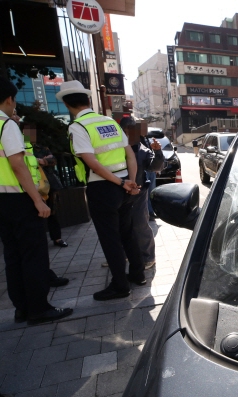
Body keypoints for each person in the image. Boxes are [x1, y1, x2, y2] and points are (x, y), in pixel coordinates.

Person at [0, 75, 72, 324]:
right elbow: (17, 164)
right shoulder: (4, 124)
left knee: (13, 255)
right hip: (18, 198)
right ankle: (39, 308)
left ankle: (21, 308)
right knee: (33, 254)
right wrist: (37, 200)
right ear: (9, 98)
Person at [58, 80, 146, 301]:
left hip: (104, 187)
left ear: (68, 105)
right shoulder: (109, 122)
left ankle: (120, 286)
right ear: (88, 100)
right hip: (126, 183)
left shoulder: (78, 127)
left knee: (111, 238)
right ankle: (138, 275)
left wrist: (120, 183)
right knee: (127, 233)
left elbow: (92, 163)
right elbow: (130, 155)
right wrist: (131, 181)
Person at [120, 117, 164, 270]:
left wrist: (157, 151)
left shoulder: (142, 150)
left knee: (140, 224)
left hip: (138, 193)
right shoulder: (114, 149)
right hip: (118, 192)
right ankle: (122, 255)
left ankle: (148, 257)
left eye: (131, 132)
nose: (128, 135)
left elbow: (154, 166)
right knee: (120, 226)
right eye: (124, 132)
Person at [22, 122, 69, 248]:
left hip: (49, 184)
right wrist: (41, 160)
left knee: (52, 212)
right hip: (30, 186)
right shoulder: (20, 148)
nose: (30, 135)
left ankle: (57, 238)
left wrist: (41, 161)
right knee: (34, 215)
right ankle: (38, 241)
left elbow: (53, 160)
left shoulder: (41, 148)